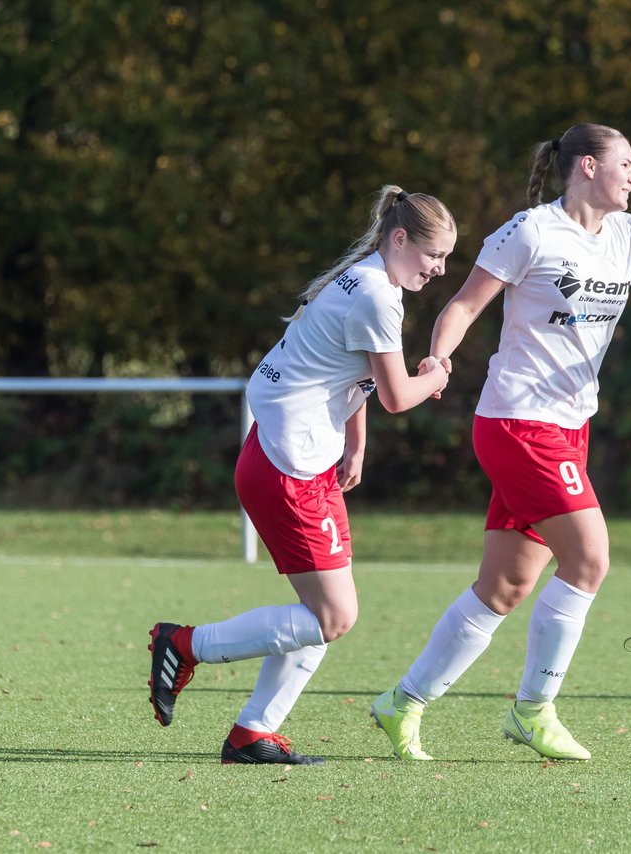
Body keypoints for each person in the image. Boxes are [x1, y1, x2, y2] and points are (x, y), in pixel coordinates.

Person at [370, 123, 631, 761]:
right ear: (588, 167)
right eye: (626, 164)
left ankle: (403, 701)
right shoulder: (531, 231)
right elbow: (461, 306)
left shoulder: (628, 237)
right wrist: (436, 364)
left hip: (569, 427)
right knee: (590, 559)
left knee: (506, 587)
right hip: (517, 422)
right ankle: (533, 711)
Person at [148, 185, 456, 765]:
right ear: (399, 239)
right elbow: (394, 394)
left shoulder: (371, 278)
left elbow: (352, 378)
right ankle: (183, 644)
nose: (438, 270)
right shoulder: (375, 295)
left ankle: (252, 734)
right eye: (433, 256)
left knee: (322, 618)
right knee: (335, 616)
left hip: (292, 457)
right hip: (288, 466)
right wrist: (436, 376)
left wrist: (356, 447)